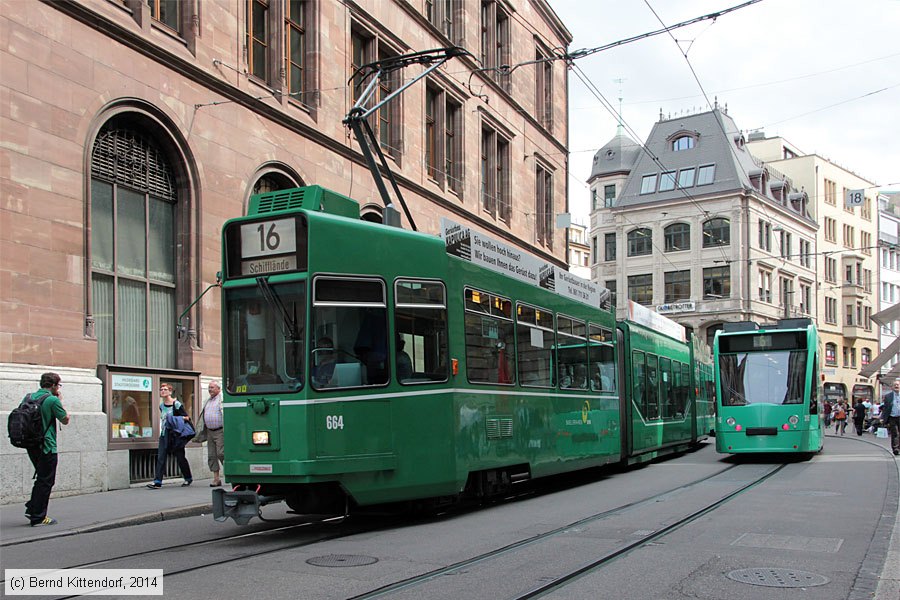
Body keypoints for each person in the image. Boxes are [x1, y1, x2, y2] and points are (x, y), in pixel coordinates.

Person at [23, 372, 69, 527]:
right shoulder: (52, 400)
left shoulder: (29, 397)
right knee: (46, 481)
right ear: (54, 385)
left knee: (42, 478)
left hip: (31, 444)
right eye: (59, 385)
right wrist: (60, 401)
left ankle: (32, 507)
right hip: (47, 445)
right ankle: (38, 516)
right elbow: (65, 419)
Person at [146, 383, 193, 489]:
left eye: (165, 389)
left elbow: (186, 417)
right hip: (164, 434)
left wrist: (175, 419)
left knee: (180, 457)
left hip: (175, 435)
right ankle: (157, 481)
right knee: (161, 457)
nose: (162, 391)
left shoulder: (176, 404)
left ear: (170, 392)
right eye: (161, 389)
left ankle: (188, 478)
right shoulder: (161, 406)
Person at [196, 381, 224, 487]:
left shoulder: (222, 399)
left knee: (221, 453)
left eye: (212, 387)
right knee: (212, 455)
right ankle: (216, 479)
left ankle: (230, 472)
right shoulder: (207, 400)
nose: (210, 389)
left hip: (220, 430)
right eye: (209, 387)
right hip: (209, 431)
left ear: (218, 389)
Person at [882, 379, 900, 455]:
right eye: (895, 385)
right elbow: (885, 408)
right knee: (895, 433)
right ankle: (896, 448)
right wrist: (884, 419)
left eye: (898, 385)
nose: (896, 386)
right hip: (892, 417)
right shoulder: (888, 396)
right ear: (892, 387)